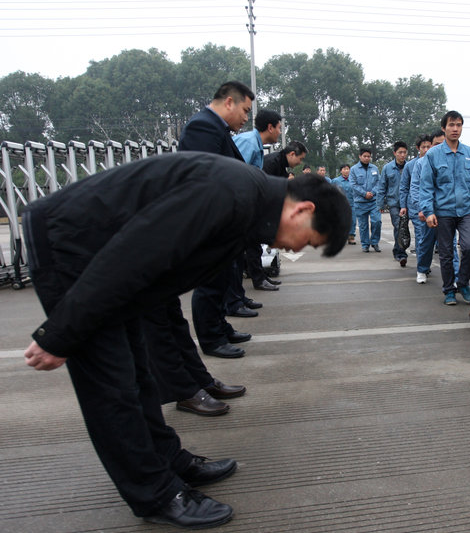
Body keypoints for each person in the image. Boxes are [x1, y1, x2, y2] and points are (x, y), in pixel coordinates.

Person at [21, 152, 351, 528]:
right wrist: (61, 334)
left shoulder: (248, 205)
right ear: (302, 210)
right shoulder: (230, 195)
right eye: (309, 240)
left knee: (137, 373)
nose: (296, 250)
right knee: (111, 387)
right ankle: (155, 495)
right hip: (74, 248)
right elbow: (132, 257)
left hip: (99, 253)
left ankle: (167, 460)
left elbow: (163, 268)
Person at [178, 81, 254, 359]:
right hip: (208, 218)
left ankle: (220, 326)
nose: (246, 118)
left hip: (223, 217)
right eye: (245, 110)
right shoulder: (203, 127)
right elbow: (206, 176)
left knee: (223, 277)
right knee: (210, 281)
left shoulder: (216, 128)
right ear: (230, 102)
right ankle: (211, 339)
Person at [419, 111, 470, 306]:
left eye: (459, 125)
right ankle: (449, 290)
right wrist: (428, 212)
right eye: (451, 125)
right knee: (446, 253)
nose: (455, 129)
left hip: (467, 211)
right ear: (444, 128)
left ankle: (462, 283)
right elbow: (426, 186)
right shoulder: (433, 155)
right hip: (443, 212)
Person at [234, 109, 284, 294]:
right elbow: (237, 175)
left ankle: (255, 281)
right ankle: (235, 298)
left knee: (252, 244)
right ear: (270, 127)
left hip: (247, 204)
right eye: (279, 128)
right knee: (237, 255)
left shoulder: (255, 144)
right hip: (237, 207)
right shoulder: (249, 143)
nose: (280, 132)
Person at [409, 130, 444, 283]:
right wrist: (421, 208)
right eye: (435, 145)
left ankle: (453, 275)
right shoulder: (420, 164)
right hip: (428, 209)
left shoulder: (452, 159)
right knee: (426, 242)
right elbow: (415, 188)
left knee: (448, 244)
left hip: (446, 210)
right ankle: (422, 269)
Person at [400, 134, 432, 261]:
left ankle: (425, 261)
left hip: (432, 206)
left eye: (428, 147)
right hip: (415, 206)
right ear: (418, 148)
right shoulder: (410, 165)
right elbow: (404, 187)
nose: (426, 150)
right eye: (423, 147)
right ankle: (422, 263)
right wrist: (403, 206)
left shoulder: (436, 161)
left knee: (430, 237)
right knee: (420, 235)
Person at [379, 141, 409, 266]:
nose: (402, 155)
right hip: (394, 203)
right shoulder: (387, 168)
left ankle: (400, 248)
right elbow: (382, 187)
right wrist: (380, 204)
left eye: (404, 152)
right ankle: (400, 254)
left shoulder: (410, 166)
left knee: (408, 228)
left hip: (409, 202)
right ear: (394, 153)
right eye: (400, 152)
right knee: (399, 226)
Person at [350, 147, 382, 252]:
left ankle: (375, 242)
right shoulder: (354, 169)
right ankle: (365, 245)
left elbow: (379, 182)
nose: (367, 158)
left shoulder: (374, 168)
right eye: (365, 156)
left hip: (373, 201)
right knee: (363, 225)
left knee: (377, 221)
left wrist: (372, 192)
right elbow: (353, 184)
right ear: (360, 156)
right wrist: (364, 193)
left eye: (369, 156)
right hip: (360, 202)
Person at [333, 164, 358, 244]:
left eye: (348, 169)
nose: (346, 170)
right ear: (341, 171)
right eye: (344, 169)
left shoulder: (353, 180)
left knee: (353, 220)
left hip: (352, 203)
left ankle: (351, 237)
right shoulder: (336, 181)